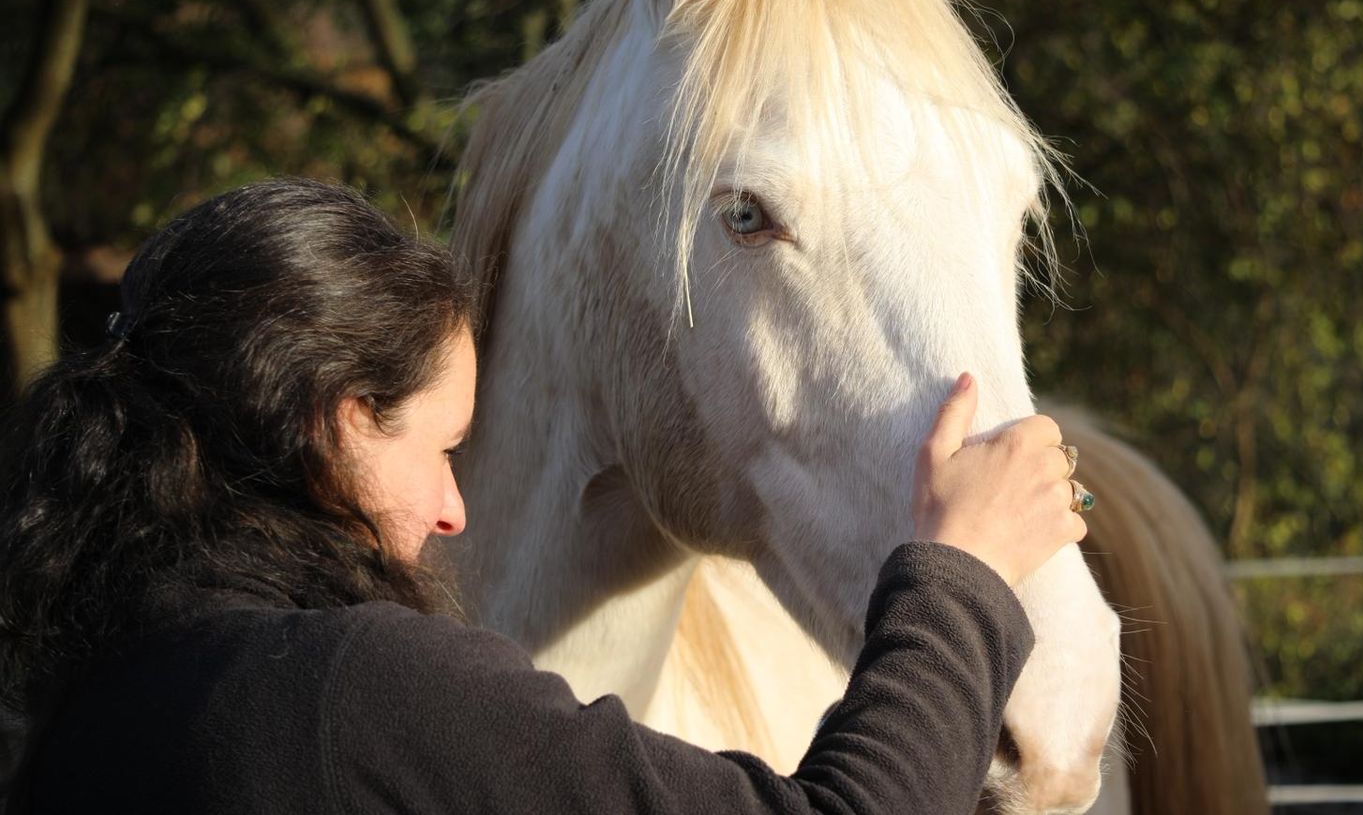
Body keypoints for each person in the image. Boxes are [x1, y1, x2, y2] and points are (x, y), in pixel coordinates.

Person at [0, 178, 1087, 814]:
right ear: (337, 423)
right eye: (442, 447)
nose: (452, 509)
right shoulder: (348, 687)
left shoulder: (87, 702)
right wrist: (964, 572)